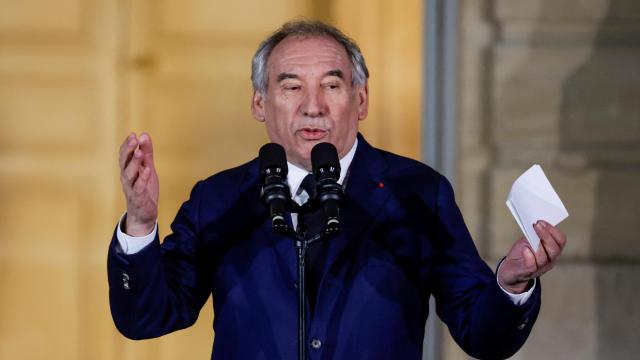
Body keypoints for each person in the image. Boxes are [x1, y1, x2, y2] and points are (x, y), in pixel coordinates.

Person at [108, 20, 566, 360]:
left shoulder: (417, 193)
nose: (313, 107)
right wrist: (141, 225)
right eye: (291, 87)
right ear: (258, 103)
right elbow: (147, 317)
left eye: (332, 84)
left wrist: (512, 283)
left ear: (361, 100)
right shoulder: (220, 198)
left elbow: (482, 335)